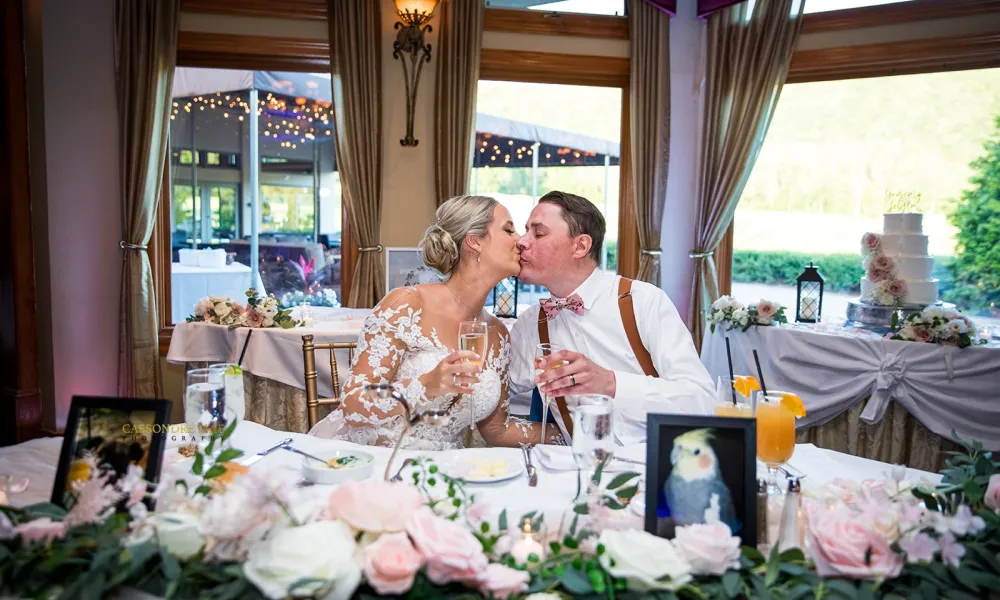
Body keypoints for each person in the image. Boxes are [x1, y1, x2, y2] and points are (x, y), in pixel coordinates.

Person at [309, 195, 563, 449]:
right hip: (361, 458)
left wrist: (573, 430)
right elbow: (354, 405)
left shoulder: (497, 334)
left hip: (439, 469)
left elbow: (498, 430)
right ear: (474, 241)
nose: (520, 240)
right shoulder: (406, 304)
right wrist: (427, 385)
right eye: (509, 229)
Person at [510, 191, 715, 445]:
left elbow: (703, 402)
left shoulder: (643, 301)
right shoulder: (531, 324)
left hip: (655, 467)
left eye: (538, 234)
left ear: (581, 246)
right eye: (525, 231)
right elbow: (493, 395)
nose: (522, 241)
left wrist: (612, 383)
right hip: (578, 473)